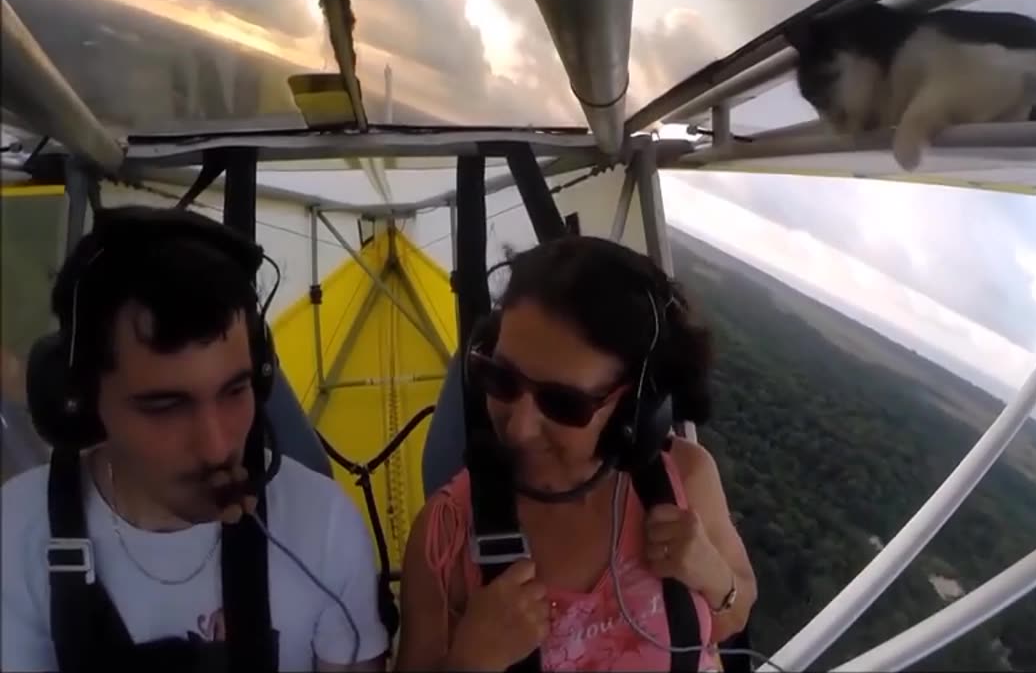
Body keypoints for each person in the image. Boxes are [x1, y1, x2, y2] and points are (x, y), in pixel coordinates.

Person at [0, 206, 389, 671]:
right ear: (82, 398)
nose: (218, 445)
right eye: (165, 407)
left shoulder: (324, 527)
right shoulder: (16, 533)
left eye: (235, 390)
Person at [395, 236, 757, 671]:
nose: (521, 428)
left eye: (564, 404)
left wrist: (712, 574)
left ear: (634, 409)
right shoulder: (445, 538)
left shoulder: (686, 480)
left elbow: (735, 613)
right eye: (501, 378)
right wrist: (471, 661)